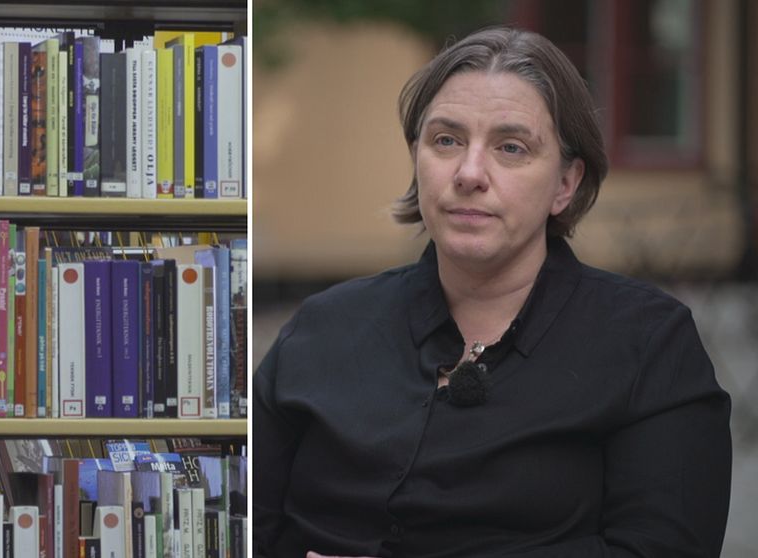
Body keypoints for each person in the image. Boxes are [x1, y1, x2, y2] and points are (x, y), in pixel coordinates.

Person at [253, 26, 732, 558]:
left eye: (511, 147)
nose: (469, 173)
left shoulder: (649, 345)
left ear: (566, 184)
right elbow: (237, 524)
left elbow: (660, 548)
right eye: (446, 140)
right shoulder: (322, 329)